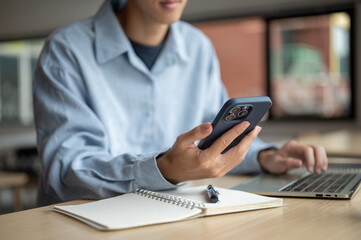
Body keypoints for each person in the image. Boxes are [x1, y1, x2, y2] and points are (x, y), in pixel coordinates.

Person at [33, 0, 328, 206]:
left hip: (179, 218)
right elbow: (67, 171)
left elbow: (214, 138)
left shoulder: (198, 47)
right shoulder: (66, 50)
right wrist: (164, 169)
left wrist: (266, 157)